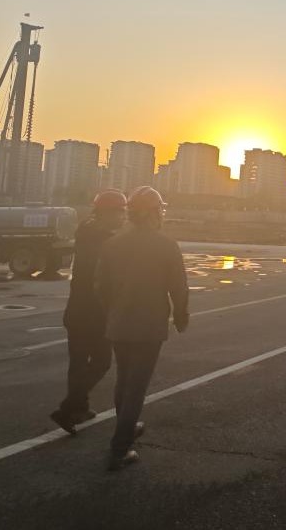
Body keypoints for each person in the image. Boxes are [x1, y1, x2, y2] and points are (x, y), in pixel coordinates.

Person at [94, 186, 189, 471]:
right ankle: (120, 448)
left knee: (124, 379)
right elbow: (178, 286)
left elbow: (100, 286)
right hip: (149, 326)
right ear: (154, 213)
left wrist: (112, 312)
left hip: (119, 323)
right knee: (136, 386)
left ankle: (127, 424)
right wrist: (181, 315)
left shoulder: (112, 244)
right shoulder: (166, 245)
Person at [50, 189, 127, 435]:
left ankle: (79, 408)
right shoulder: (105, 242)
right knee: (102, 362)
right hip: (95, 313)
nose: (123, 216)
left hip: (76, 311)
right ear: (106, 213)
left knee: (78, 364)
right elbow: (107, 280)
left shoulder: (86, 232)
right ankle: (68, 409)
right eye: (119, 212)